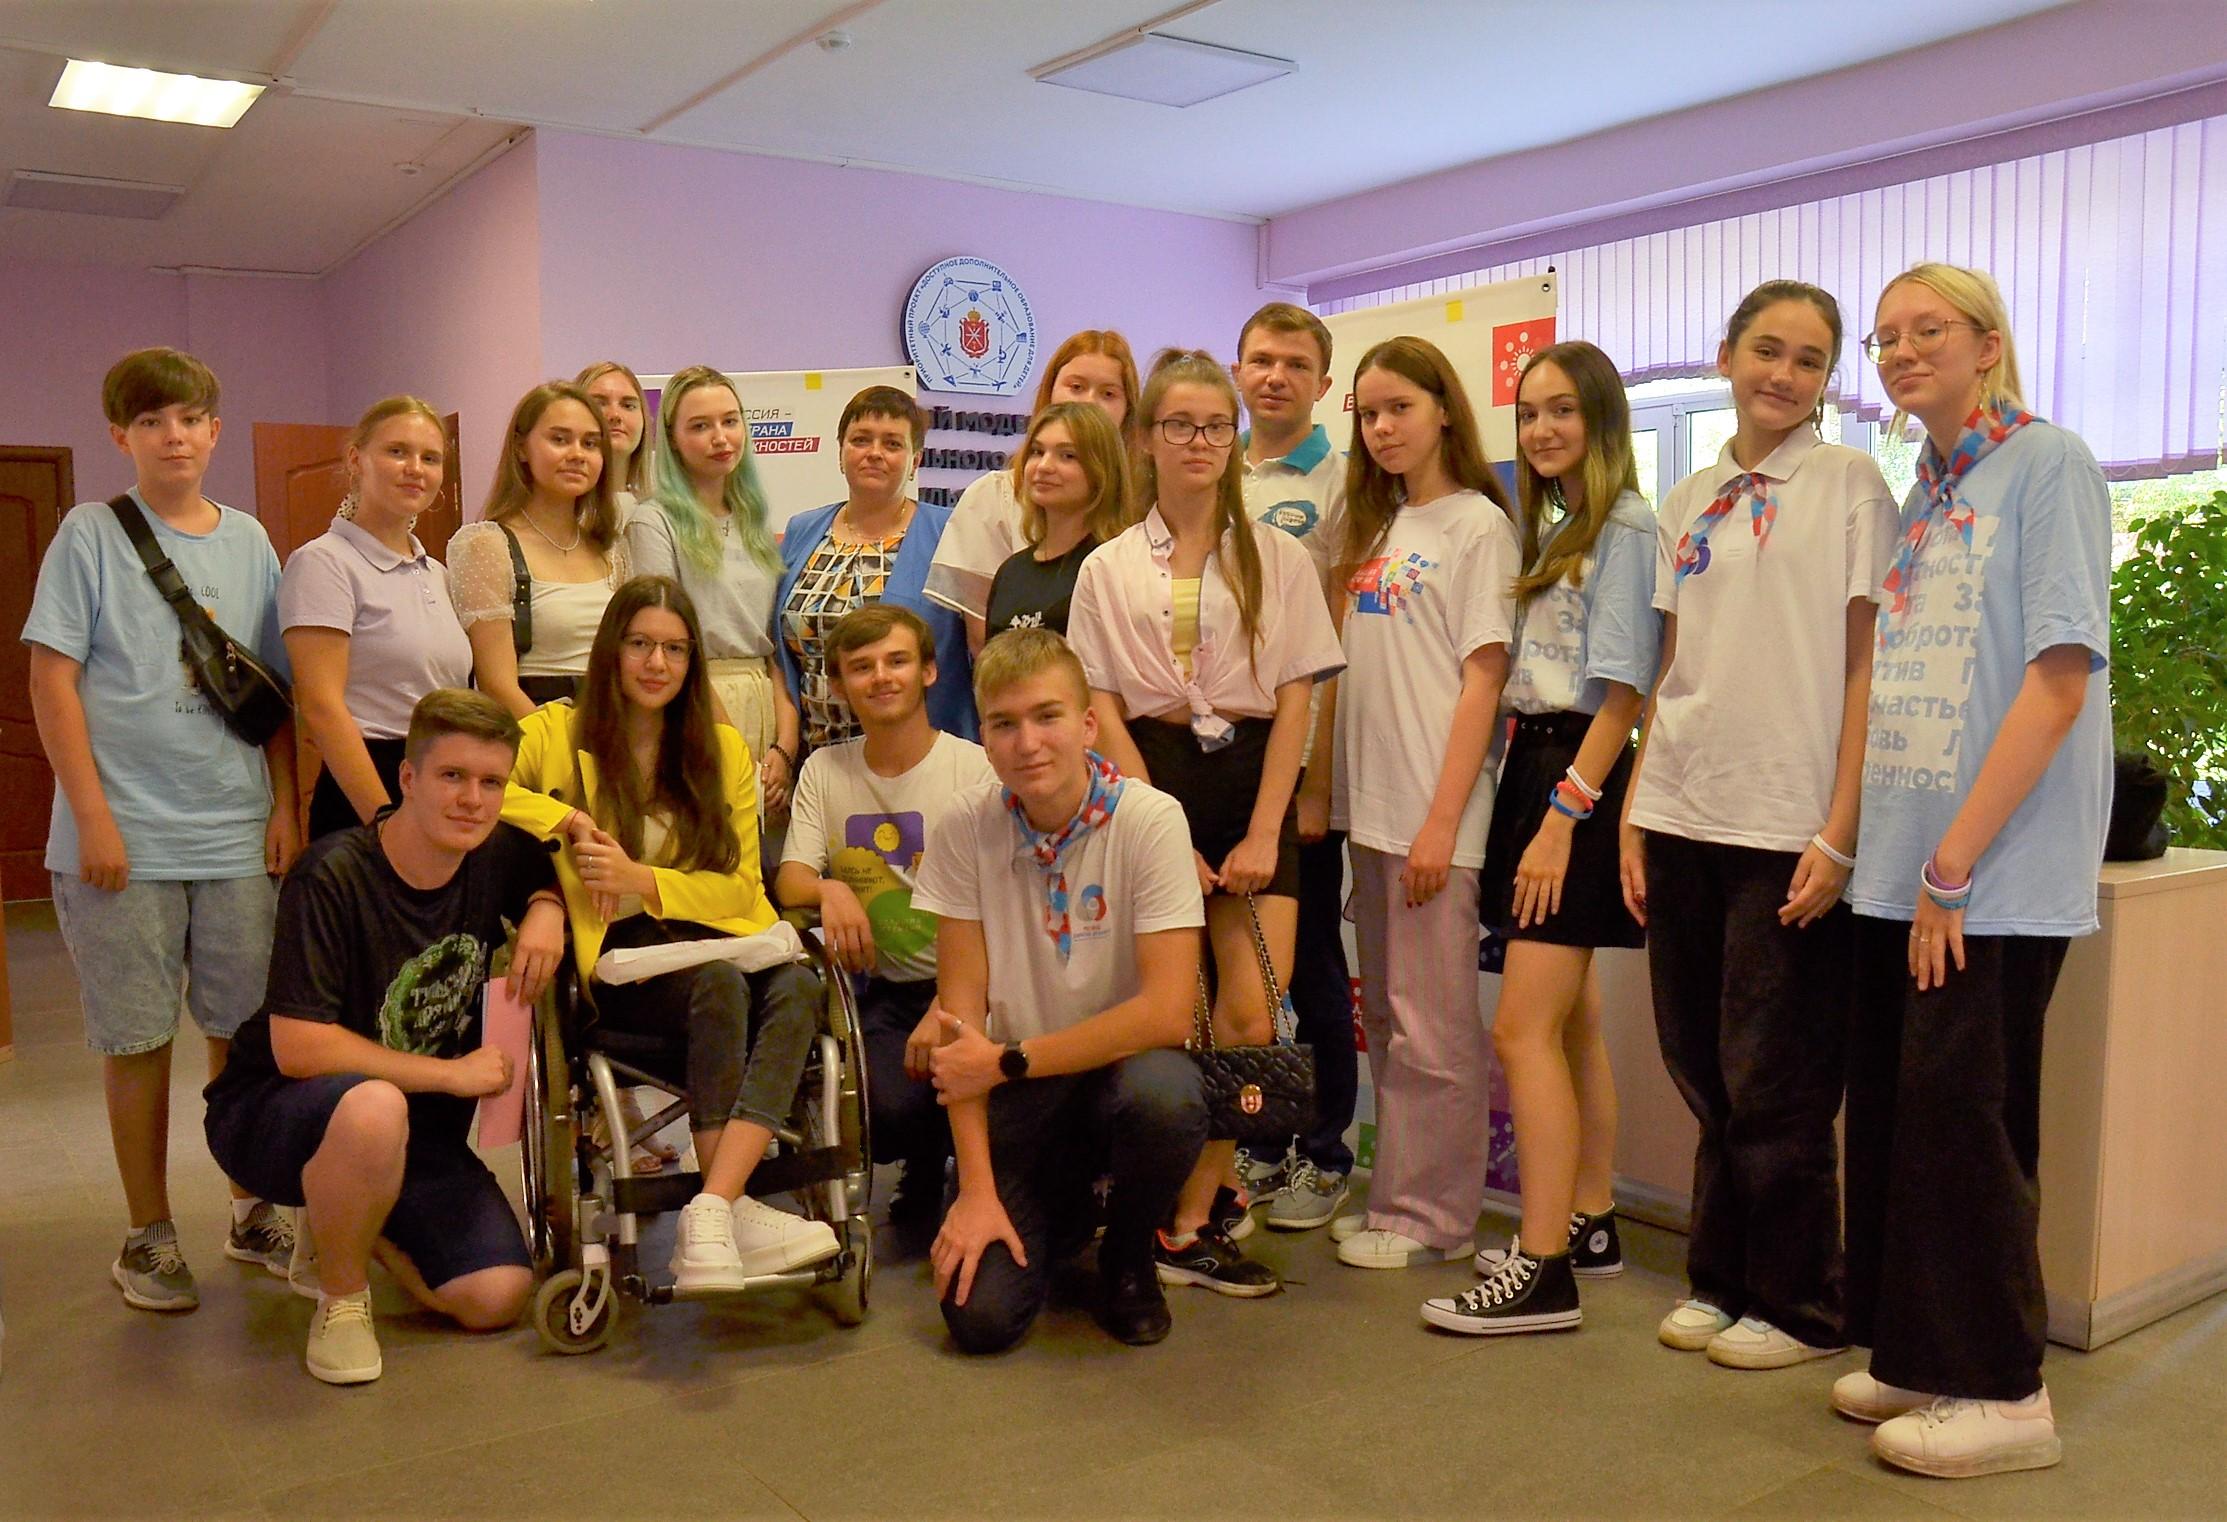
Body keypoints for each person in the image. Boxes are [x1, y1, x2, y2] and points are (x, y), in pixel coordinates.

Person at [1835, 263, 2110, 1477]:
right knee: (1905, 1125)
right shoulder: (1926, 487)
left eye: (1927, 329)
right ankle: (1922, 1352)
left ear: (1987, 343)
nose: (1900, 351)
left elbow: (2057, 678)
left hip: (1985, 873)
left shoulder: (2048, 464)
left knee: (1968, 1129)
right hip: (1909, 867)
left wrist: (1953, 862)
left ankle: (2005, 1392)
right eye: (1884, 338)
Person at [1621, 281, 1897, 1368]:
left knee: (1778, 1079)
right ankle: (1721, 1277)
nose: (1783, 374)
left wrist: (1840, 829)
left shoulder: (1849, 484)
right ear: (1725, 355)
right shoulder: (1687, 498)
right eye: (1767, 350)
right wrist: (1637, 813)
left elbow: (1867, 663)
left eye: (1809, 359)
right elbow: (1671, 667)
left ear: (1827, 381)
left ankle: (1800, 1303)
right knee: (1704, 1068)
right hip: (1683, 809)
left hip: (1789, 824)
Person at [25, 347, 300, 1313]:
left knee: (241, 1033)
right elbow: (51, 680)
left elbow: (271, 694)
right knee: (137, 1038)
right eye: (151, 422)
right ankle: (147, 1234)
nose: (173, 436)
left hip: (235, 833)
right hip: (123, 843)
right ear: (121, 436)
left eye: (188, 419)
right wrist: (93, 817)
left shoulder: (252, 541)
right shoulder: (89, 534)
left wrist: (286, 807)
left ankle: (249, 1207)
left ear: (215, 430)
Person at [1070, 348, 1344, 1297]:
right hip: (1151, 781)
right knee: (1175, 1017)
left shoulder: (1278, 557)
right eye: (1179, 425)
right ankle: (1152, 1208)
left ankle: (1193, 1218)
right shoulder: (1106, 566)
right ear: (1145, 439)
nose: (1199, 441)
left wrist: (1266, 830)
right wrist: (1158, 829)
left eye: (1215, 426)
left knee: (1252, 1014)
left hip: (1253, 781)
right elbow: (1100, 706)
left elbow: (1298, 699)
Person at [202, 689, 563, 1384]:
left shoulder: (495, 854)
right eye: (452, 776)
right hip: (277, 1110)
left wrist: (546, 909)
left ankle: (350, 1215)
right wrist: (453, 1075)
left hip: (414, 1133)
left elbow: (542, 872)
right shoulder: (331, 874)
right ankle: (342, 1299)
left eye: (491, 783)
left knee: (496, 1296)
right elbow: (300, 1048)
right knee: (373, 1107)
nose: (472, 800)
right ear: (407, 778)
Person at [502, 577, 839, 1292]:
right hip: (625, 963)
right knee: (719, 986)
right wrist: (564, 822)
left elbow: (741, 886)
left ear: (692, 662)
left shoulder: (721, 750)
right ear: (611, 649)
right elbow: (481, 787)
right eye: (640, 644)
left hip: (721, 936)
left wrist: (641, 878)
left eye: (676, 649)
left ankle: (714, 1205)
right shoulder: (555, 733)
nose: (657, 663)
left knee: (799, 987)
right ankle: (729, 1211)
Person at [1418, 341, 1659, 1336]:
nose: (1541, 429)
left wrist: (1562, 819)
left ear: (1599, 420)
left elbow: (1625, 692)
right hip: (1541, 766)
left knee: (1519, 1029)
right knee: (1569, 1023)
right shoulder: (1559, 522)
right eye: (1527, 413)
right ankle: (1588, 1218)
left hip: (1576, 776)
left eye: (1562, 410)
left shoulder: (1626, 524)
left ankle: (1543, 1263)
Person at [914, 629, 1207, 1351]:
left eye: (1047, 716)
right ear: (984, 740)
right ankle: (1059, 1214)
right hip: (1016, 1094)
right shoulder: (962, 825)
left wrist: (1008, 1060)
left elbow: (1167, 1014)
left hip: (1111, 1076)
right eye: (1004, 724)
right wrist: (976, 1192)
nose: (1028, 743)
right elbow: (959, 1029)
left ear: (1087, 725)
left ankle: (1128, 1256)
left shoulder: (1150, 820)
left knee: (1167, 1094)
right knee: (980, 1322)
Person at [1325, 336, 1518, 1271]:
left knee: (1436, 1030)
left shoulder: (1477, 526)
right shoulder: (1380, 525)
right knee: (1397, 1025)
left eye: (1398, 407)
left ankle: (1433, 1219)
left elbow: (1484, 680)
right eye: (1367, 413)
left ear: (1444, 408)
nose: (1381, 427)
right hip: (1373, 812)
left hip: (1434, 816)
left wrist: (1442, 822)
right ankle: (1395, 1201)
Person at [775, 605, 995, 1232]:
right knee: (883, 1111)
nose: (881, 677)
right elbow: (790, 878)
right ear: (838, 686)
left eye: (897, 661)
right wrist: (829, 890)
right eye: (861, 667)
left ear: (929, 670)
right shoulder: (824, 770)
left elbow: (1009, 905)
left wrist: (952, 1002)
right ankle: (926, 1163)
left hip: (984, 984)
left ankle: (977, 1171)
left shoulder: (974, 769)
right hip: (889, 992)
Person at [1231, 300, 1358, 1230]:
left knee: (1310, 969)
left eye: (1293, 363)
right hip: (1224, 763)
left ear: (1323, 382)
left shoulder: (1343, 483)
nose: (1273, 376)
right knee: (1237, 976)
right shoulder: (1214, 470)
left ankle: (1323, 1150)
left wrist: (1316, 781)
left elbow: (1336, 641)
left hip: (1301, 765)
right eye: (1259, 360)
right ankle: (1258, 1140)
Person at [283, 396, 475, 841]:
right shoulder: (324, 563)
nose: (415, 469)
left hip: (441, 782)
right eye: (397, 452)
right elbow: (321, 708)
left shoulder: (438, 573)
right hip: (367, 793)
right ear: (356, 460)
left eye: (430, 458)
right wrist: (385, 821)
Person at [627, 365, 797, 810]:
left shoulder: (754, 523)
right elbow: (663, 644)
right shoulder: (654, 522)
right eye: (700, 426)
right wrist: (733, 748)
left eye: (729, 421)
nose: (720, 438)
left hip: (763, 702)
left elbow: (772, 647)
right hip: (694, 706)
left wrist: (785, 745)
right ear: (673, 440)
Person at [775, 386, 972, 751]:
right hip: (815, 758)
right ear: (841, 452)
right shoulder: (802, 530)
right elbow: (780, 655)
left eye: (892, 444)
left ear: (915, 461)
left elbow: (977, 649)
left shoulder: (950, 532)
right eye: (861, 440)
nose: (875, 453)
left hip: (919, 758)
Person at [925, 330, 1141, 652]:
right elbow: (986, 640)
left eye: (1108, 394)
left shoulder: (1130, 539)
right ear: (1050, 390)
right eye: (1076, 387)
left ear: (1128, 409)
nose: (1088, 402)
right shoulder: (1004, 535)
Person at [448, 381, 632, 714]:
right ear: (521, 448)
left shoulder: (610, 551)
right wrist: (555, 742)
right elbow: (496, 684)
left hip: (610, 725)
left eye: (590, 443)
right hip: (532, 727)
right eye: (559, 439)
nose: (577, 454)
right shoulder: (486, 545)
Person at [982, 401, 1131, 640]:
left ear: (1102, 470)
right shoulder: (1011, 572)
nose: (1044, 466)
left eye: (1067, 456)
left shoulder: (1115, 566)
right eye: (1037, 452)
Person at [576, 361, 650, 513]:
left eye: (628, 405)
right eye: (599, 404)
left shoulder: (659, 514)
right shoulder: (556, 513)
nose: (615, 415)